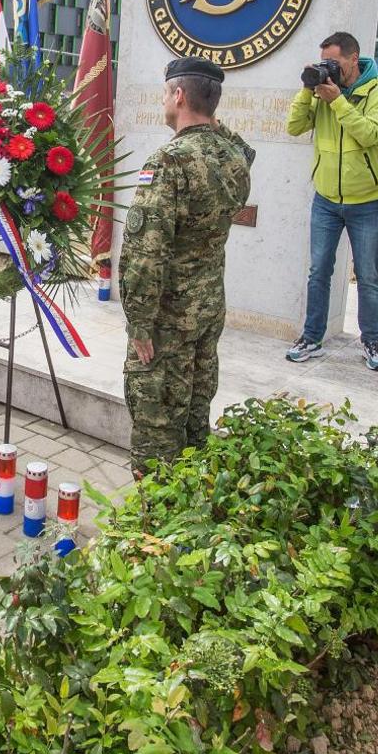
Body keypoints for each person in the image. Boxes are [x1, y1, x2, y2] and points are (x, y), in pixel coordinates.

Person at [119, 56, 254, 473]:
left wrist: (139, 321)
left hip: (168, 320)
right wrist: (211, 117)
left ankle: (152, 524)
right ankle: (194, 507)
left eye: (166, 93)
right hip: (208, 309)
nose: (163, 102)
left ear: (178, 96)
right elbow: (243, 149)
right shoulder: (232, 157)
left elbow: (145, 250)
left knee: (157, 427)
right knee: (196, 419)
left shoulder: (169, 162)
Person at [284, 31, 378, 371]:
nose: (328, 68)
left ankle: (372, 339)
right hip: (326, 199)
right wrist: (308, 91)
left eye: (333, 62)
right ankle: (312, 336)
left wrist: (337, 101)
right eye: (324, 62)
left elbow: (368, 134)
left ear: (353, 58)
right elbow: (293, 127)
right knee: (319, 270)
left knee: (367, 275)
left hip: (366, 201)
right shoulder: (320, 93)